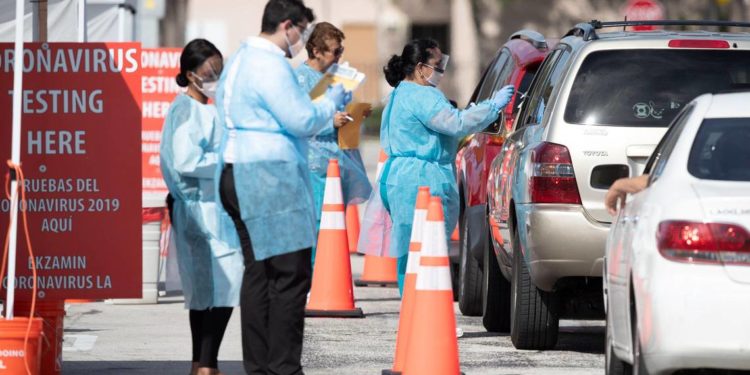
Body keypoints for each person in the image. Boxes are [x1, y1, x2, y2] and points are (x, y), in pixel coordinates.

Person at [214, 1, 352, 373]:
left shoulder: (239, 58)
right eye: (303, 32)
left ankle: (258, 367)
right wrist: (330, 103)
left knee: (258, 273)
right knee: (290, 275)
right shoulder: (271, 63)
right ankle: (284, 368)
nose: (301, 40)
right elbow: (301, 118)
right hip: (269, 174)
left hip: (234, 171)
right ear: (288, 25)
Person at [379, 38, 515, 293]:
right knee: (428, 249)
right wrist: (491, 107)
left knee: (411, 251)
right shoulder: (422, 95)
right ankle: (426, 317)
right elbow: (455, 124)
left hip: (401, 178)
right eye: (437, 64)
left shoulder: (400, 92)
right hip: (422, 180)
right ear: (421, 68)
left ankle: (413, 315)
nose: (441, 70)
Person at [160, 38, 244, 375]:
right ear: (191, 73)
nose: (216, 78)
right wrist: (225, 161)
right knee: (220, 286)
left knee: (211, 290)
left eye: (220, 72)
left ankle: (203, 362)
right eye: (211, 72)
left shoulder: (205, 108)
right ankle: (206, 363)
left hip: (210, 208)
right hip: (201, 210)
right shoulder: (186, 110)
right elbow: (186, 160)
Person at [294, 22, 372, 268]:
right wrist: (331, 122)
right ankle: (313, 277)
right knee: (317, 221)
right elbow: (298, 120)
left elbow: (339, 110)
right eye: (335, 51)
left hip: (336, 158)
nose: (340, 56)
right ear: (316, 51)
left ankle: (328, 273)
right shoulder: (299, 79)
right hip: (313, 161)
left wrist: (354, 114)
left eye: (341, 51)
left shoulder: (335, 77)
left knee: (333, 222)